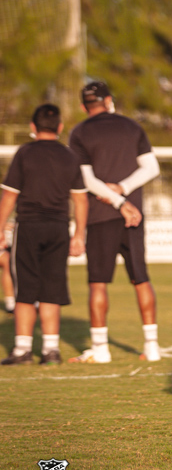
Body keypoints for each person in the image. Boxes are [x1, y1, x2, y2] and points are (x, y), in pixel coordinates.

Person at [67, 81, 158, 364]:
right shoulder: (132, 127)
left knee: (98, 283)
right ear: (109, 100)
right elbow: (151, 168)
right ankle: (152, 347)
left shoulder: (79, 132)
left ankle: (100, 349)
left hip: (100, 216)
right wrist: (123, 190)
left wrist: (116, 198)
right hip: (133, 216)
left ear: (84, 106)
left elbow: (87, 180)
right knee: (141, 279)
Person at [0, 104, 88, 366]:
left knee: (25, 289)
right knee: (52, 288)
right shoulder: (70, 155)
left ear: (32, 127)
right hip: (59, 228)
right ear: (60, 127)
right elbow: (81, 201)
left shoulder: (25, 153)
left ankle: (22, 350)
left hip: (28, 226)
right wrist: (79, 234)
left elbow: (10, 195)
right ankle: (51, 350)